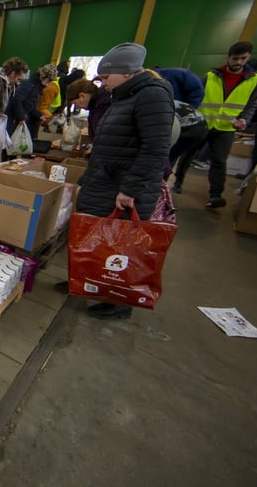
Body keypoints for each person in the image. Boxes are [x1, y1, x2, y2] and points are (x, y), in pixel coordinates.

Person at [75, 42, 174, 319]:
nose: (103, 84)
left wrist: (130, 189)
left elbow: (155, 148)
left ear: (127, 73)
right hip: (106, 179)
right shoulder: (125, 96)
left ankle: (119, 301)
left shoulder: (151, 96)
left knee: (120, 247)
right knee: (99, 240)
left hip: (123, 186)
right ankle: (91, 283)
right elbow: (112, 143)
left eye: (106, 78)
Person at [195, 41, 257, 208]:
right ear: (228, 57)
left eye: (243, 58)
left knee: (219, 161)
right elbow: (197, 96)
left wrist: (245, 119)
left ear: (248, 58)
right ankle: (178, 182)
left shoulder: (254, 80)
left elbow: (253, 104)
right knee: (188, 154)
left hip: (226, 127)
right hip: (204, 123)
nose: (239, 62)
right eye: (235, 58)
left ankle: (215, 196)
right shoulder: (211, 76)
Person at [154, 67, 206, 193]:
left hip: (191, 126)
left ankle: (160, 192)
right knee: (162, 158)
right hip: (178, 119)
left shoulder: (180, 75)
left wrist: (181, 111)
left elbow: (197, 93)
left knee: (163, 159)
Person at [1, 63, 56, 161]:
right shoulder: (29, 85)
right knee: (11, 146)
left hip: (20, 119)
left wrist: (40, 116)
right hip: (14, 120)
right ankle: (5, 167)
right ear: (42, 77)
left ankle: (11, 166)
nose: (49, 84)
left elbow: (30, 106)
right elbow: (16, 101)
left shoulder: (36, 87)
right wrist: (21, 117)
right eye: (49, 80)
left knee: (16, 145)